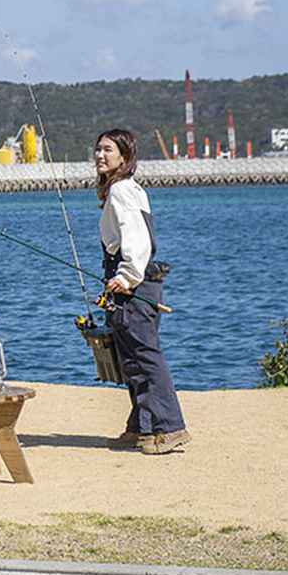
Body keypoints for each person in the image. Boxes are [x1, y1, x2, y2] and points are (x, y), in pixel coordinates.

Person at [95, 128, 190, 455]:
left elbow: (137, 239)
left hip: (133, 281)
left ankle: (171, 427)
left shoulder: (121, 190)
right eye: (98, 150)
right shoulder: (129, 188)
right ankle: (143, 427)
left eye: (108, 150)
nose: (100, 155)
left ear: (125, 156)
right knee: (131, 356)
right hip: (137, 280)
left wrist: (126, 276)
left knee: (144, 354)